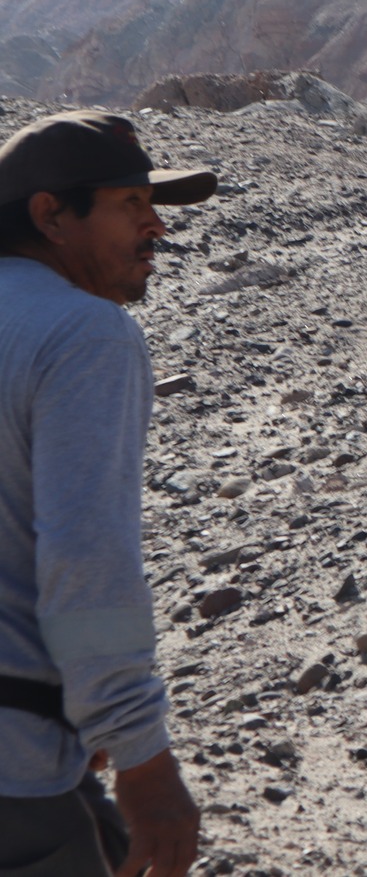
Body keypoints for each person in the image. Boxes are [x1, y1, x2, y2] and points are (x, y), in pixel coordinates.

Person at [0, 111, 212, 877]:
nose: (156, 226)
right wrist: (141, 753)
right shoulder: (82, 333)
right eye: (130, 204)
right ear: (50, 215)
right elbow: (86, 556)